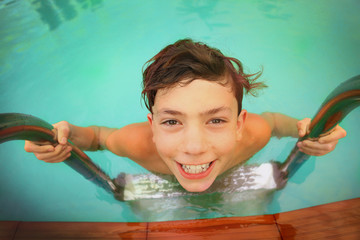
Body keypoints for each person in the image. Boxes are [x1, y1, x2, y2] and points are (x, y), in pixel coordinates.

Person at [24, 39, 346, 192]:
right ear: (152, 127)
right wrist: (64, 136)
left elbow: (275, 123)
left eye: (216, 120)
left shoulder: (255, 134)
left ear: (239, 125)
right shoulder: (138, 144)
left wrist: (305, 129)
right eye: (172, 121)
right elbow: (96, 137)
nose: (194, 146)